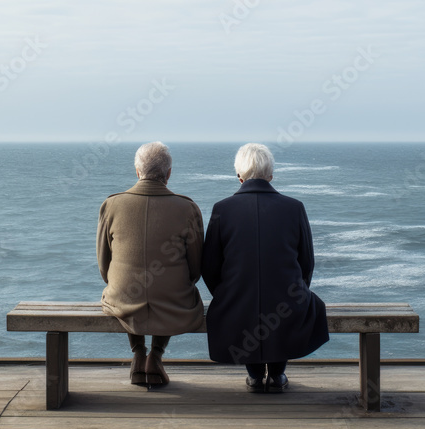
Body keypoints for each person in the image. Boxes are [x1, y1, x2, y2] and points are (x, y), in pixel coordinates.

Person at [202, 143, 329, 393]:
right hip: (287, 303)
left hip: (236, 304)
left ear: (239, 177)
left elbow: (209, 265)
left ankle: (255, 375)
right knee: (287, 301)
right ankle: (278, 374)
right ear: (271, 175)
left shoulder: (221, 209)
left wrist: (226, 293)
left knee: (248, 303)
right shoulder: (295, 207)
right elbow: (307, 262)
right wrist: (297, 290)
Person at [97, 142, 204, 387]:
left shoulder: (111, 205)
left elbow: (104, 266)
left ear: (137, 171)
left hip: (123, 300)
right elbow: (195, 269)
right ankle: (155, 355)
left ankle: (137, 354)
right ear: (168, 173)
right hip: (174, 302)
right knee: (168, 289)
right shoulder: (187, 208)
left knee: (127, 286)